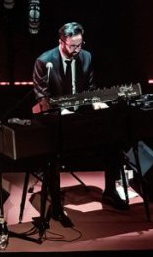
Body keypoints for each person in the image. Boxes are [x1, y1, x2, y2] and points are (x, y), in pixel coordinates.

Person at [31, 22, 128, 220]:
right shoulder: (44, 61)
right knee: (53, 152)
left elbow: (90, 88)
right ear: (61, 42)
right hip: (56, 120)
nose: (77, 50)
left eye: (80, 44)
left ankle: (110, 191)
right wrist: (62, 111)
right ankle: (56, 206)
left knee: (113, 140)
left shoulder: (86, 56)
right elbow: (42, 98)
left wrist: (96, 102)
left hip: (80, 117)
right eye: (72, 46)